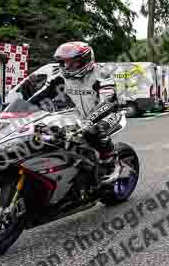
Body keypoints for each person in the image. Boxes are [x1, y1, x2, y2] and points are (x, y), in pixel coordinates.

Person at [28, 42, 123, 178]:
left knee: (94, 132)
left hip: (107, 113)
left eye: (73, 63)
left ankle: (112, 162)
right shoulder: (60, 76)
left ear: (86, 61)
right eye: (64, 62)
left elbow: (108, 102)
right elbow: (42, 95)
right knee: (50, 133)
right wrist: (17, 110)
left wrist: (90, 121)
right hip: (79, 115)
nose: (67, 67)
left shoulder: (101, 74)